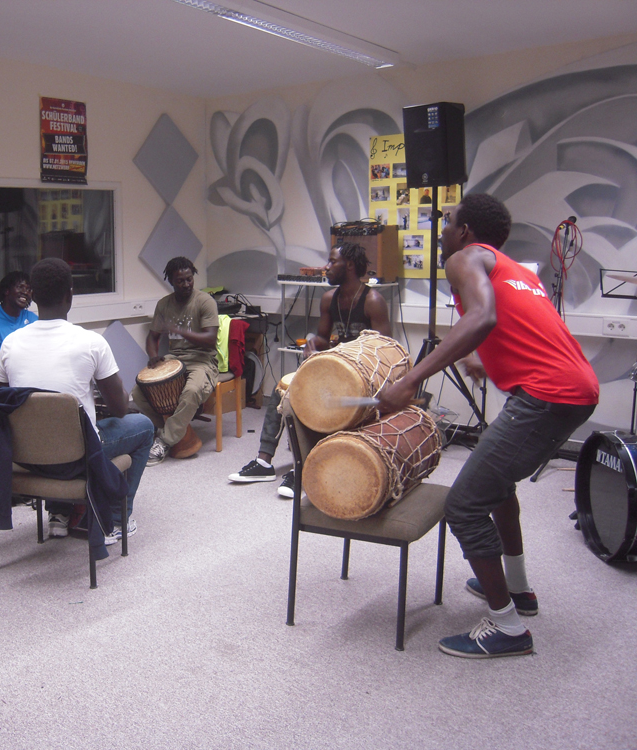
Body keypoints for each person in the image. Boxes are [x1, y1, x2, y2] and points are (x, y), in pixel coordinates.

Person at [377, 193, 599, 659]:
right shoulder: (514, 269)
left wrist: (411, 381)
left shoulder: (463, 258)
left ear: (465, 232)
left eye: (449, 222)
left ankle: (508, 628)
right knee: (497, 488)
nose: (443, 231)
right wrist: (479, 354)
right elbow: (513, 321)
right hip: (575, 388)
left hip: (545, 395)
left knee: (464, 505)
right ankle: (518, 589)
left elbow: (482, 316)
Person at [0, 258, 154, 543]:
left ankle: (59, 514)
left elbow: (5, 403)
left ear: (33, 296)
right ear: (70, 295)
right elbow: (119, 409)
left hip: (27, 457)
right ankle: (115, 520)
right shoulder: (91, 342)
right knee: (143, 426)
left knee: (51, 428)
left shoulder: (10, 343)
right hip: (76, 457)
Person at [229, 242, 391, 495]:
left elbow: (383, 352)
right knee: (283, 389)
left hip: (362, 376)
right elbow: (324, 338)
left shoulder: (373, 301)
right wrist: (314, 343)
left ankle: (304, 467)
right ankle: (263, 462)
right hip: (335, 366)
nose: (326, 267)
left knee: (318, 399)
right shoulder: (329, 299)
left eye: (332, 262)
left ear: (349, 265)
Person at [132, 257, 219, 465]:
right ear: (171, 281)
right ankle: (173, 429)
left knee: (191, 391)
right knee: (139, 392)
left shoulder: (205, 301)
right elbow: (152, 337)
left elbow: (210, 339)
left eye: (189, 279)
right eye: (180, 281)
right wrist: (153, 356)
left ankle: (164, 441)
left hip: (202, 359)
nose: (186, 284)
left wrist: (179, 330)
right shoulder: (164, 305)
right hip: (174, 358)